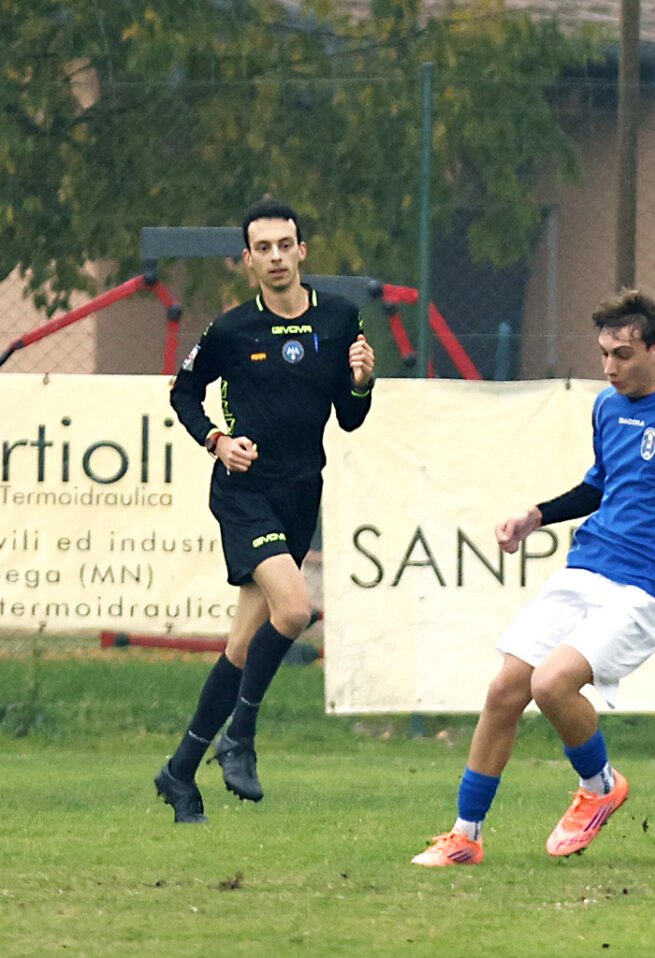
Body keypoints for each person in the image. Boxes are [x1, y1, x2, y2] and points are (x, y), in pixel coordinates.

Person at [411, 290, 655, 867]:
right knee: (504, 691)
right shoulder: (606, 407)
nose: (609, 367)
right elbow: (602, 484)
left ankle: (600, 787)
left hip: (650, 588)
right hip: (588, 567)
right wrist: (538, 515)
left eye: (623, 355)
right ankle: (464, 836)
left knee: (552, 684)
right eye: (603, 353)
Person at [155, 198, 376, 824]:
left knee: (242, 646)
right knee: (297, 608)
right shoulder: (231, 330)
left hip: (300, 492)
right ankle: (241, 737)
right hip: (244, 491)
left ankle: (178, 773)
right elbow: (184, 392)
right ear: (247, 260)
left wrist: (362, 382)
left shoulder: (339, 318)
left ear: (302, 251)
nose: (275, 257)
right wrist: (217, 441)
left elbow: (350, 418)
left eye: (285, 245)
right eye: (263, 248)